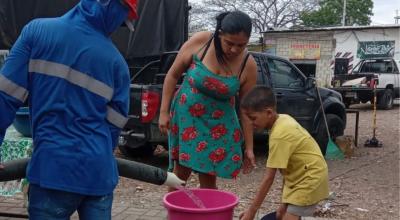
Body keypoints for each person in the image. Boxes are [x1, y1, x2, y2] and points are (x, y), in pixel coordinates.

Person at [0, 0, 183, 219]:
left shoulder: (37, 32)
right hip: (99, 175)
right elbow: (113, 129)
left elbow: (5, 98)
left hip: (52, 171)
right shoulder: (117, 64)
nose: (117, 27)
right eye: (121, 17)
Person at [158, 10, 257, 191]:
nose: (234, 49)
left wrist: (249, 148)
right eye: (229, 43)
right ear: (220, 34)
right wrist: (163, 112)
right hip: (188, 117)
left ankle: (207, 213)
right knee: (181, 172)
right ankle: (175, 213)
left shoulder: (248, 65)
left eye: (241, 45)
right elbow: (172, 75)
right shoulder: (202, 41)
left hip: (218, 125)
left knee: (209, 177)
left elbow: (246, 109)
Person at [239, 86, 329, 220]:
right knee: (281, 215)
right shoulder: (282, 119)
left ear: (269, 113)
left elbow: (269, 178)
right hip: (300, 176)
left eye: (253, 118)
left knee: (288, 217)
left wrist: (251, 211)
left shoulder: (280, 135)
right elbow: (288, 170)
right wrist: (284, 202)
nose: (251, 123)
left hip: (309, 179)